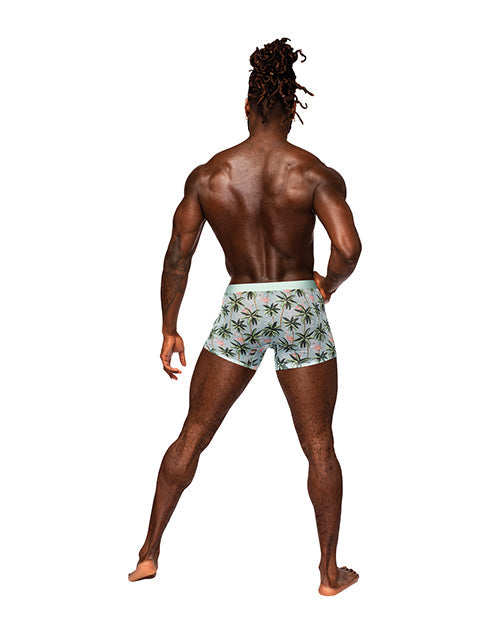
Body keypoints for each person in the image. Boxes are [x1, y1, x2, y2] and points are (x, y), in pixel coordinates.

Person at [128, 37, 362, 597]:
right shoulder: (313, 173)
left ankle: (148, 554)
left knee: (194, 432)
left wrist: (169, 327)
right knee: (319, 443)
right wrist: (327, 285)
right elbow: (348, 247)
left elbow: (178, 256)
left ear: (248, 106)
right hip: (298, 301)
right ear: (292, 108)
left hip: (242, 304)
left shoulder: (210, 176)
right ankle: (329, 573)